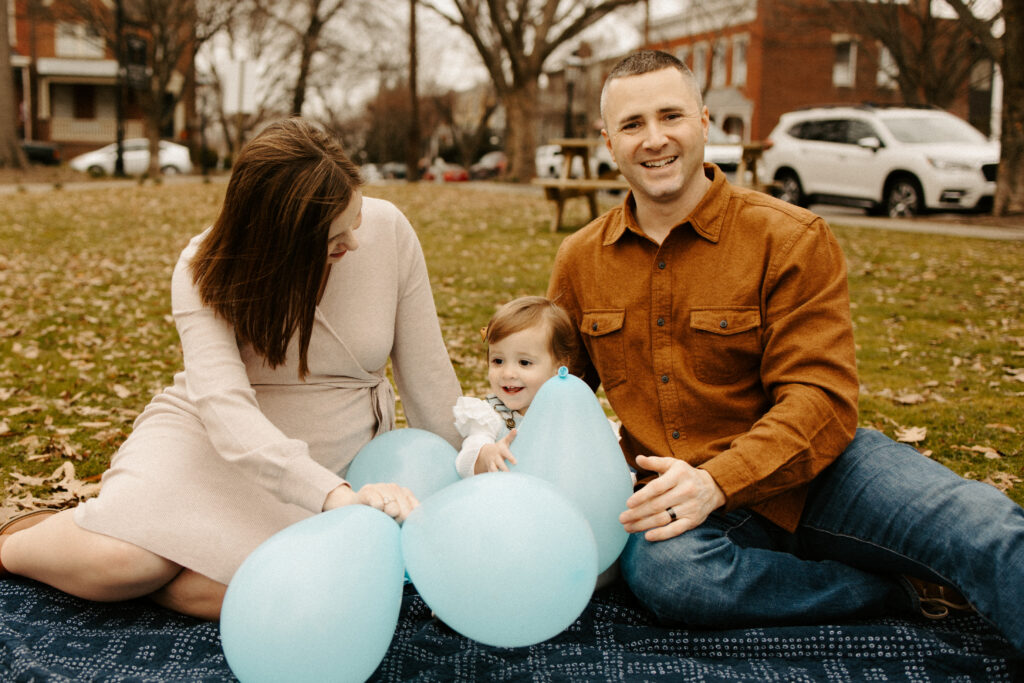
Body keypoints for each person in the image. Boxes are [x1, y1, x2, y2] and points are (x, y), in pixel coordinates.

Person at [547, 50, 1024, 651]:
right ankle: (895, 591)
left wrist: (720, 480)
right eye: (633, 124)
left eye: (671, 115)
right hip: (678, 494)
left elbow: (821, 399)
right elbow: (559, 386)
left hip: (823, 472)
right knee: (672, 578)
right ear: (609, 142)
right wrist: (507, 433)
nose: (655, 139)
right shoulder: (581, 259)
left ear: (704, 120)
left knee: (989, 528)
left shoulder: (791, 236)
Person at [0, 118, 462, 620]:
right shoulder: (204, 267)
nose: (354, 239)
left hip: (329, 452)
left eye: (355, 219)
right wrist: (332, 497)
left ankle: (155, 556)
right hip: (215, 439)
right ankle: (17, 535)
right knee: (122, 563)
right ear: (280, 240)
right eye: (336, 233)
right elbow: (225, 410)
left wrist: (472, 467)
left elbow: (429, 377)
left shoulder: (388, 229)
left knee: (258, 591)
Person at [452, 296, 577, 477]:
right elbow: (464, 462)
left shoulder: (569, 412)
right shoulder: (491, 415)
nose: (508, 373)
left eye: (524, 362)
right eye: (498, 361)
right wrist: (486, 455)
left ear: (558, 366)